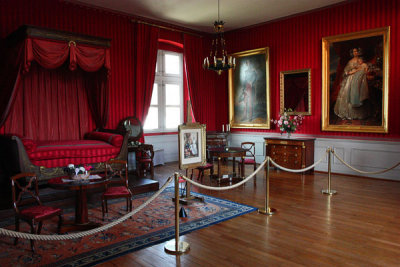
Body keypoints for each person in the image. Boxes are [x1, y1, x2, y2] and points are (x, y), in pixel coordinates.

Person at [334, 48, 370, 120]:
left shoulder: (361, 61)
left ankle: (360, 113)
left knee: (360, 92)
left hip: (360, 79)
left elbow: (366, 69)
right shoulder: (350, 61)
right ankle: (349, 113)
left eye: (356, 51)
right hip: (351, 79)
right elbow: (346, 72)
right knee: (348, 93)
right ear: (352, 53)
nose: (355, 53)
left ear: (358, 52)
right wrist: (354, 70)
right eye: (354, 51)